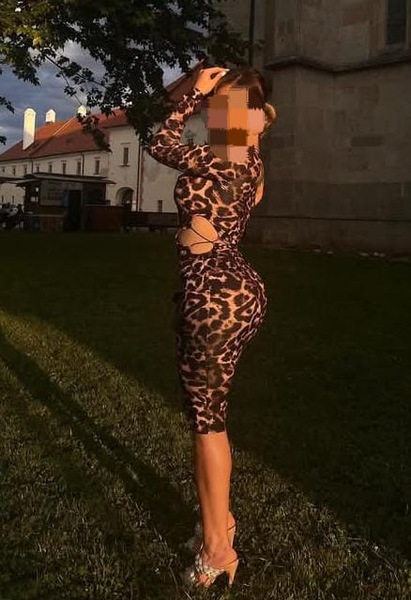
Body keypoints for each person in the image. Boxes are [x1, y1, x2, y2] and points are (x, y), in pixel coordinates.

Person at [147, 63, 276, 588]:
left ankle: (219, 549)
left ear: (245, 112)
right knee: (208, 416)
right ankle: (219, 522)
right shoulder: (246, 158)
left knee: (207, 424)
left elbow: (160, 144)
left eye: (228, 102)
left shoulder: (228, 155)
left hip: (214, 294)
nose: (218, 109)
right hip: (224, 288)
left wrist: (192, 94)